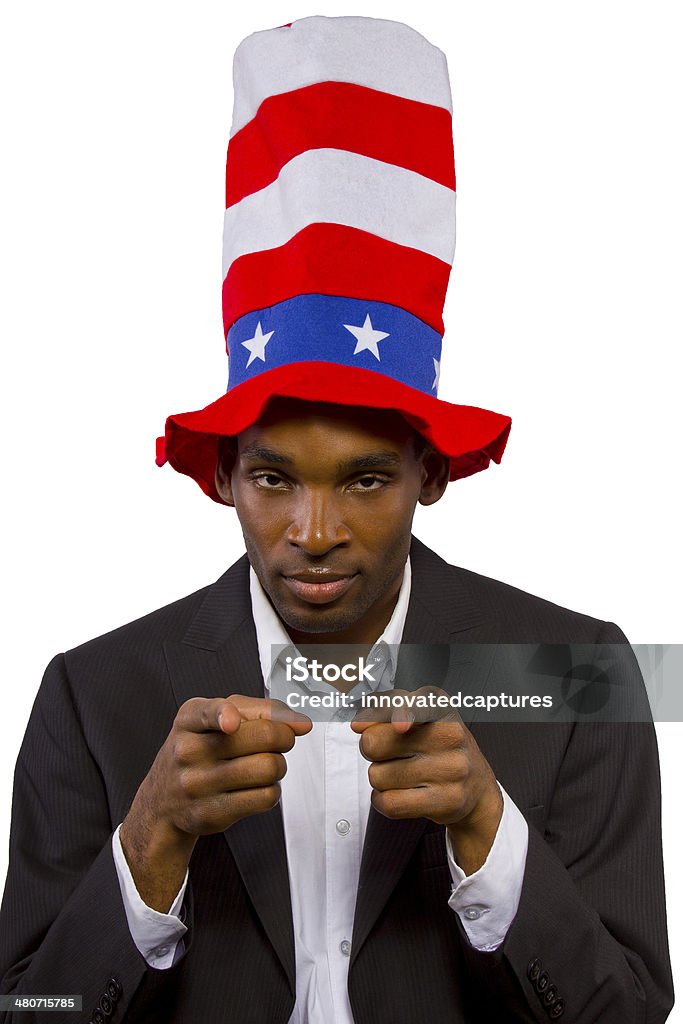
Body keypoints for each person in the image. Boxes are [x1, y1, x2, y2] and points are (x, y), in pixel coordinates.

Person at [0, 15, 673, 1024]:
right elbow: (30, 1011)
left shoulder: (572, 673)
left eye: (362, 481)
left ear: (428, 473)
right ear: (224, 473)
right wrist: (147, 844)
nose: (313, 531)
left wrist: (490, 828)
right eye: (274, 479)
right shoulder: (91, 695)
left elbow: (627, 1014)